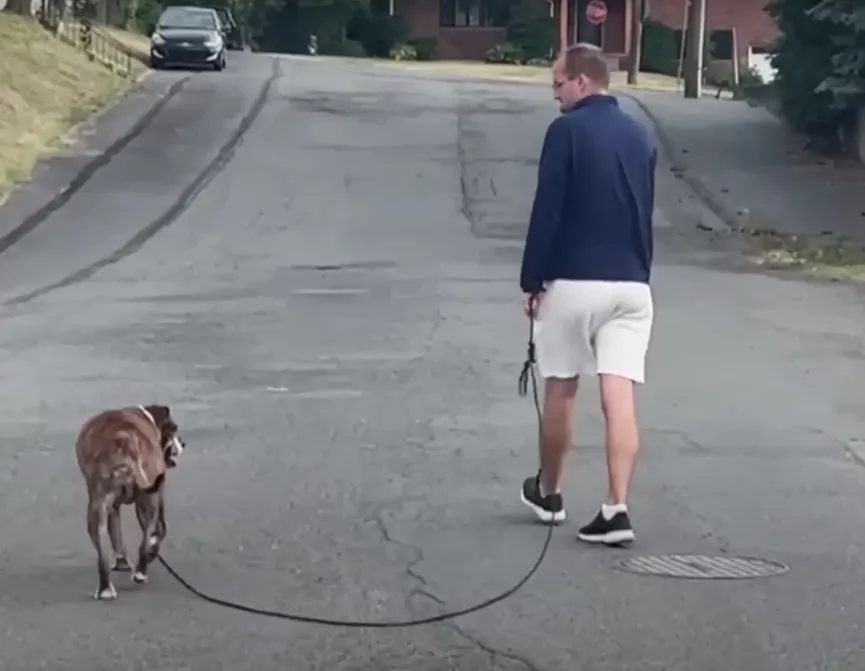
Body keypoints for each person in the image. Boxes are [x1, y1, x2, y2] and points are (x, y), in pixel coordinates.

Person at [518, 43, 657, 546]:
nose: (554, 94)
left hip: (575, 279)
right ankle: (617, 508)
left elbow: (548, 209)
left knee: (561, 386)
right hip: (632, 286)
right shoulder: (641, 136)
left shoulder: (566, 131)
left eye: (558, 84)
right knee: (618, 394)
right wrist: (640, 273)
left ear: (582, 81)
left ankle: (549, 492)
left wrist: (532, 279)